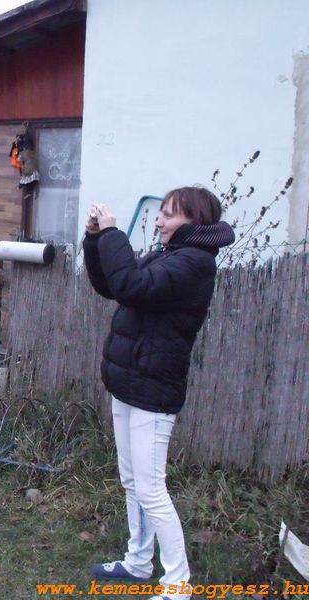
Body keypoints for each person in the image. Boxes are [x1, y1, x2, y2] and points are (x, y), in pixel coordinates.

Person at [82, 187, 235, 600]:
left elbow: (131, 286)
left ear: (194, 221)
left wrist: (112, 233)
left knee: (151, 489)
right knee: (132, 481)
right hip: (130, 382)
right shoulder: (169, 255)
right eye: (161, 213)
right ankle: (138, 562)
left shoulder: (194, 263)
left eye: (168, 215)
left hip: (154, 390)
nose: (159, 221)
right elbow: (113, 285)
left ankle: (178, 584)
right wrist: (95, 240)